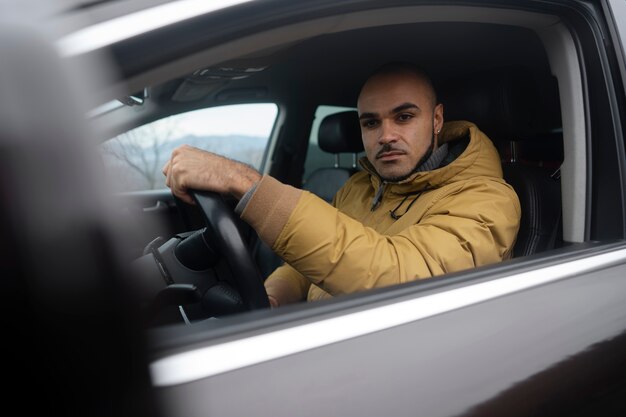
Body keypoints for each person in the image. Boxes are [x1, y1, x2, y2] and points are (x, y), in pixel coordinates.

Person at [162, 62, 521, 307]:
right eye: (370, 123)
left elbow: (401, 275)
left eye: (404, 116)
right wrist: (274, 297)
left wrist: (245, 183)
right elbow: (307, 267)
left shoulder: (487, 198)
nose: (386, 136)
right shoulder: (360, 187)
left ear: (438, 119)